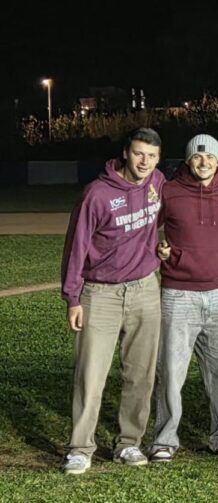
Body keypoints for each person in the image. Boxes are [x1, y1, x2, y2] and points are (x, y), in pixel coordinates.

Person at [60, 127, 165, 474]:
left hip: (145, 289)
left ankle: (129, 443)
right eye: (138, 153)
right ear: (125, 153)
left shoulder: (157, 182)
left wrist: (162, 247)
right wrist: (72, 297)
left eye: (151, 156)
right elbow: (76, 247)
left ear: (159, 159)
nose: (144, 161)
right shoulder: (97, 194)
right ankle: (80, 447)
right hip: (100, 293)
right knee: (91, 375)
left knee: (141, 373)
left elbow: (165, 219)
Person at [149, 134, 218, 461]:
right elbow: (145, 227)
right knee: (172, 371)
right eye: (197, 157)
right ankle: (164, 440)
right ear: (188, 160)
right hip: (177, 293)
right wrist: (158, 248)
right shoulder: (169, 191)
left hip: (216, 293)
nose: (204, 162)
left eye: (210, 157)